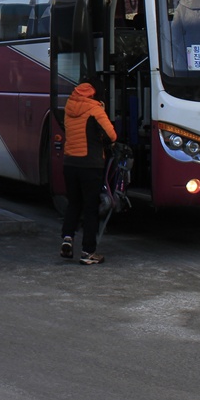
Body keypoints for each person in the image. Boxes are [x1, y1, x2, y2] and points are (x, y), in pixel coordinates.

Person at [59, 80, 117, 265]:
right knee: (90, 208)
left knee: (74, 203)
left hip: (70, 163)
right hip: (90, 165)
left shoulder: (69, 107)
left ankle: (67, 238)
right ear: (93, 94)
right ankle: (88, 252)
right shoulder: (95, 109)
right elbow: (111, 135)